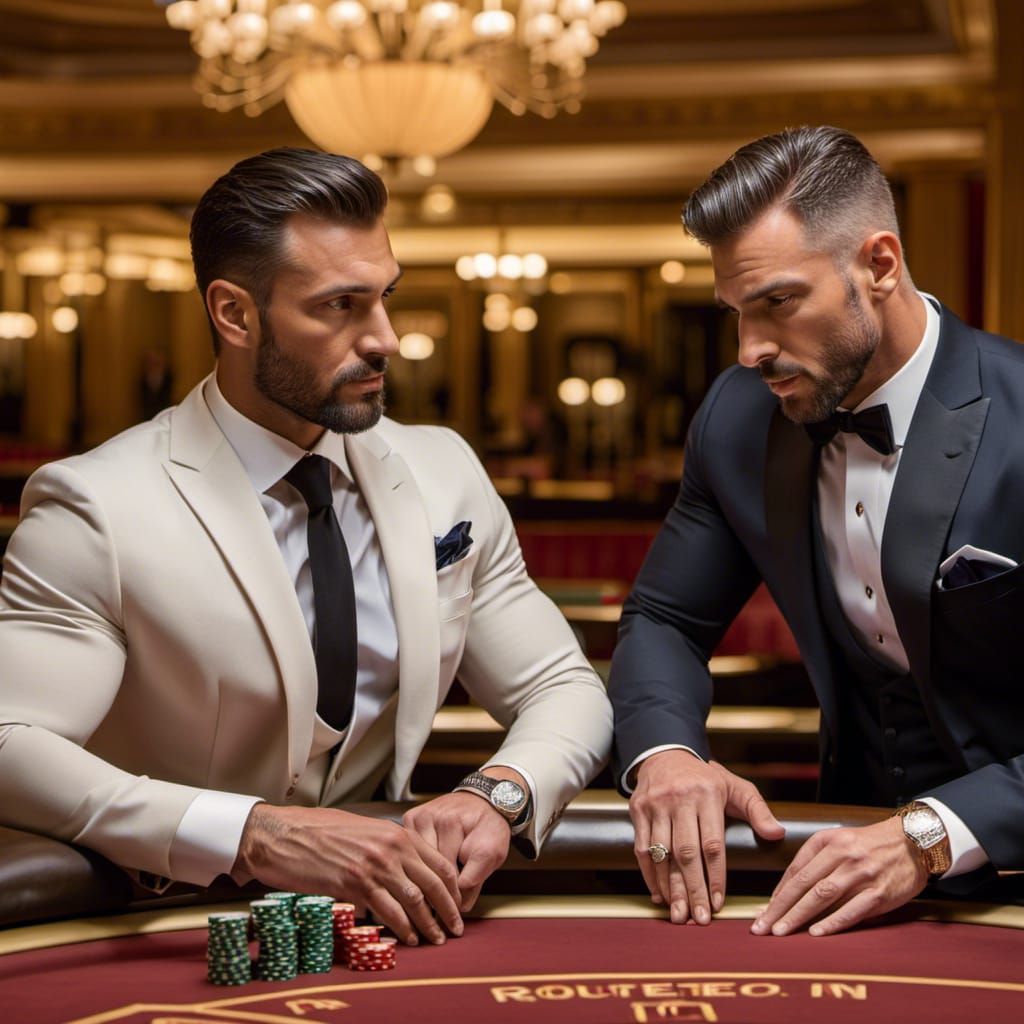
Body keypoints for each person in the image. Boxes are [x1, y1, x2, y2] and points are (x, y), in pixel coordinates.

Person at [0, 148, 612, 946]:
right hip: (167, 923)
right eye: (340, 306)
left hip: (388, 928)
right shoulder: (96, 506)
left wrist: (497, 793)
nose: (386, 338)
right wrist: (255, 832)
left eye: (386, 296)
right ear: (235, 315)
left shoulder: (443, 470)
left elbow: (563, 686)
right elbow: (11, 742)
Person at [610, 125, 1024, 939]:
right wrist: (666, 755)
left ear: (880, 265)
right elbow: (665, 618)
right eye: (734, 311)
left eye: (779, 303)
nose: (750, 350)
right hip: (848, 876)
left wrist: (931, 834)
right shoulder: (736, 417)